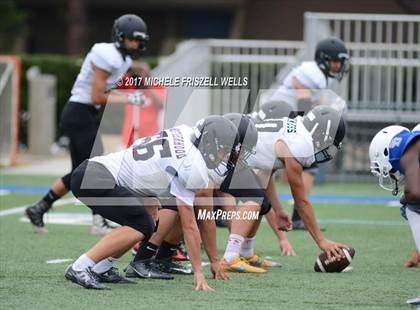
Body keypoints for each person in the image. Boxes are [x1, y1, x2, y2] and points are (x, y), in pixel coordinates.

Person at [64, 115, 240, 291]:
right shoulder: (192, 166)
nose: (225, 157)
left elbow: (152, 163)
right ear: (210, 143)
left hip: (96, 172)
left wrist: (149, 198)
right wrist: (199, 272)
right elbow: (190, 226)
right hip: (97, 176)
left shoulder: (185, 132)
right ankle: (81, 267)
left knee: (147, 223)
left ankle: (101, 268)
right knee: (140, 223)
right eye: (224, 150)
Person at [25, 14, 149, 235]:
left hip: (84, 115)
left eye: (138, 40)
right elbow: (96, 96)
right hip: (79, 112)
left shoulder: (124, 60)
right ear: (120, 37)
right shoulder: (105, 54)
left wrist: (132, 80)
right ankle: (98, 219)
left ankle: (39, 208)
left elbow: (108, 87)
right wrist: (129, 98)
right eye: (132, 39)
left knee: (79, 172)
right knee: (97, 167)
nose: (136, 44)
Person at [242, 105, 349, 262]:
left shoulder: (299, 128)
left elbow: (266, 173)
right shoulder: (300, 145)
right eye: (329, 142)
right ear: (320, 133)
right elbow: (301, 202)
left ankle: (246, 254)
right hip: (230, 155)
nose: (328, 147)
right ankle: (230, 257)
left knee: (261, 201)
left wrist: (278, 210)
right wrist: (321, 241)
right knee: (254, 201)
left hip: (239, 154)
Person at [269, 37, 349, 230]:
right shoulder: (312, 73)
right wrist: (305, 127)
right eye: (335, 61)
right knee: (261, 169)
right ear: (323, 59)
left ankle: (297, 217)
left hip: (282, 118)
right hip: (278, 119)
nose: (338, 66)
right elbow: (303, 98)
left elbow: (317, 102)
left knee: (306, 165)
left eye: (340, 62)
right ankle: (297, 217)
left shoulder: (320, 76)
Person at [369, 123, 420, 306]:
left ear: (387, 152)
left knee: (412, 207)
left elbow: (414, 193)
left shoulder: (410, 150)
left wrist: (404, 200)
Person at [120, 62, 166, 146]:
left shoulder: (157, 86)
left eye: (142, 72)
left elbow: (160, 104)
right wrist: (129, 66)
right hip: (129, 138)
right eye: (137, 72)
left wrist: (146, 84)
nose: (139, 75)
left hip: (151, 138)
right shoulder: (129, 85)